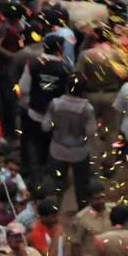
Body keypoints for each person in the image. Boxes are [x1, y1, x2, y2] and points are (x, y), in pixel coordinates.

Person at [18, 34, 71, 181]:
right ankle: (52, 178)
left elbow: (23, 88)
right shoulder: (66, 68)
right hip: (56, 117)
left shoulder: (33, 64)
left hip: (34, 113)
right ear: (60, 49)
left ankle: (36, 177)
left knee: (34, 146)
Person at [43, 72, 96, 209]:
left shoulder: (55, 104)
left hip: (57, 149)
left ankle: (54, 209)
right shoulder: (87, 108)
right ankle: (82, 210)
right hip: (79, 152)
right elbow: (91, 131)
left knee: (57, 184)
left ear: (67, 86)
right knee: (82, 185)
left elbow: (46, 126)